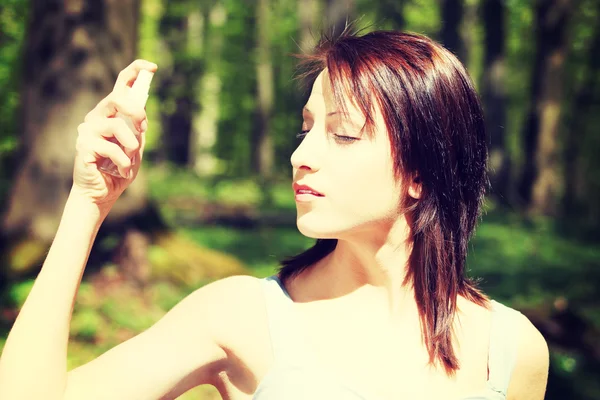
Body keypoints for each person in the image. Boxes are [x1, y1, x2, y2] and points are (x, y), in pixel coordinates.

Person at [0, 29, 548, 400]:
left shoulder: (512, 351)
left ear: (421, 173)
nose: (300, 155)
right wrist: (86, 206)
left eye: (344, 133)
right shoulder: (239, 317)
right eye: (306, 128)